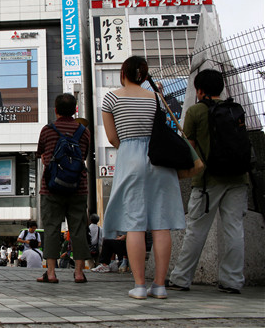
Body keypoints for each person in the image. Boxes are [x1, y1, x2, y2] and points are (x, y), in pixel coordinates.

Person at [101, 56, 185, 299]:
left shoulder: (112, 97)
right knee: (161, 224)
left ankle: (139, 285)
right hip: (159, 159)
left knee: (135, 224)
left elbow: (112, 138)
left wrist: (129, 146)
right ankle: (159, 286)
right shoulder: (155, 98)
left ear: (123, 72)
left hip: (130, 157)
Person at [167, 69, 250, 294]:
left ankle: (181, 278)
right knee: (234, 229)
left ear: (199, 90)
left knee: (196, 229)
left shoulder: (195, 111)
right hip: (238, 177)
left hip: (207, 181)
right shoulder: (235, 110)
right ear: (221, 88)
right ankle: (232, 281)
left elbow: (189, 148)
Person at [37, 93, 91, 284]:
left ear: (56, 109)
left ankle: (51, 273)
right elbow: (83, 155)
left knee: (52, 228)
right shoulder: (84, 131)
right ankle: (78, 272)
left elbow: (40, 153)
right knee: (77, 229)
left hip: (51, 187)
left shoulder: (48, 130)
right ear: (75, 109)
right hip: (78, 187)